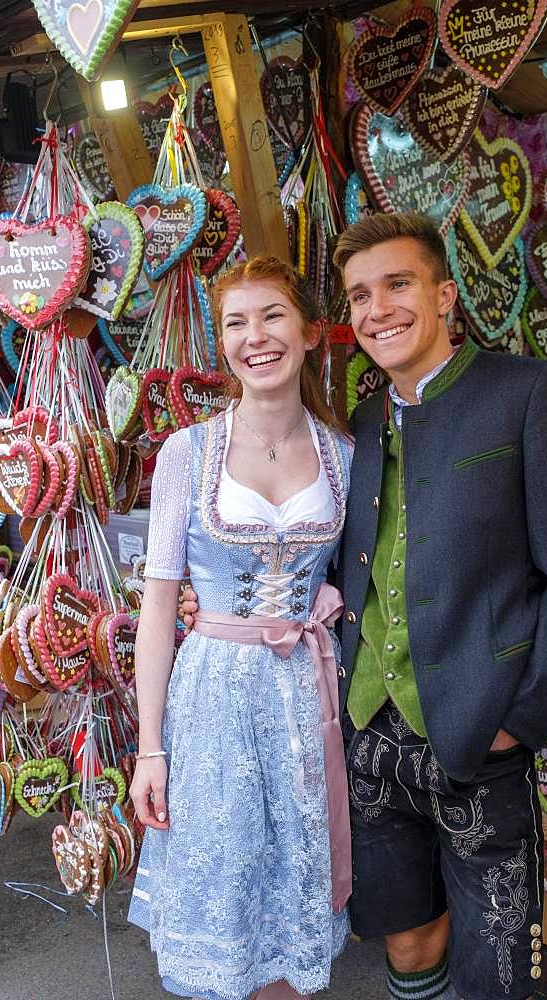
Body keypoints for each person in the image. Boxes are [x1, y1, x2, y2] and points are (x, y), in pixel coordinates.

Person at [332, 212, 547, 1000]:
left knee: (495, 973)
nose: (376, 308)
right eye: (358, 295)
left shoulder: (527, 393)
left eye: (397, 284)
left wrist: (519, 720)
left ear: (445, 294)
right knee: (409, 943)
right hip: (372, 740)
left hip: (479, 741)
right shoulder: (366, 419)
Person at [128, 256, 353, 1000]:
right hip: (213, 705)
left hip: (304, 701)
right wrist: (149, 748)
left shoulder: (344, 457)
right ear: (221, 342)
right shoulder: (187, 454)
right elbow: (159, 609)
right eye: (235, 322)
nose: (254, 337)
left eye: (272, 316)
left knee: (287, 917)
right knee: (224, 907)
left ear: (310, 332)